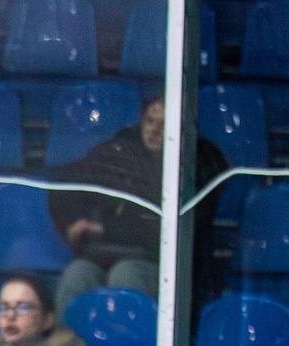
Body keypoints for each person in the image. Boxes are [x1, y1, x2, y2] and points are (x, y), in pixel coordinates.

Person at [48, 93, 232, 311]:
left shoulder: (202, 162)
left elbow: (169, 227)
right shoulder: (123, 147)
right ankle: (66, 345)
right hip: (107, 253)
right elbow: (68, 182)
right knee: (77, 274)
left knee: (126, 274)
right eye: (150, 120)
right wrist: (75, 221)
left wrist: (105, 228)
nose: (153, 130)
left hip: (164, 264)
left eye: (165, 124)